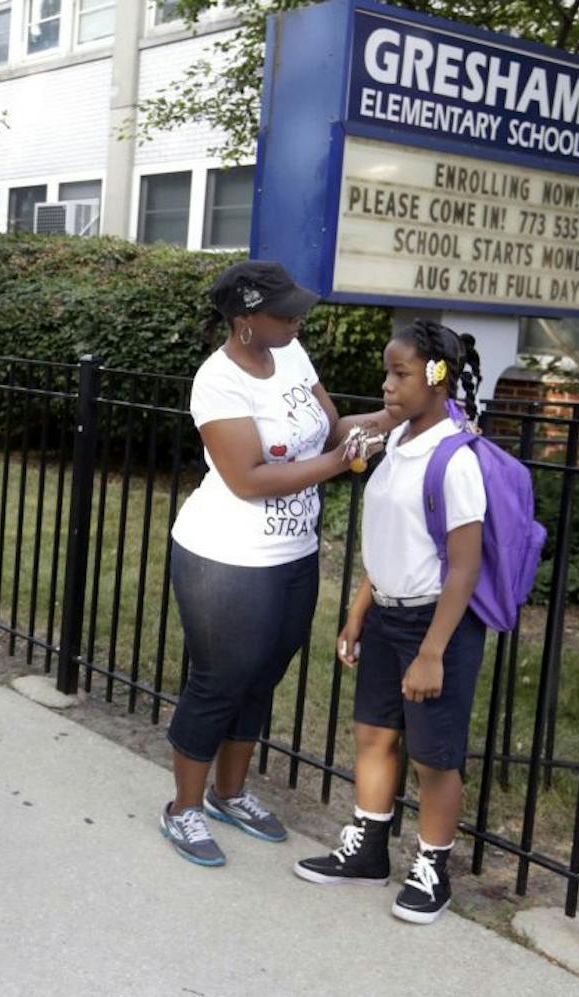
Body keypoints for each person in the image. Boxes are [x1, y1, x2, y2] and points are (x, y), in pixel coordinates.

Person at [160, 260, 391, 867]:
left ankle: (229, 794)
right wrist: (345, 462)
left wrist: (399, 417)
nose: (296, 319)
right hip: (227, 555)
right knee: (220, 679)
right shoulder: (218, 381)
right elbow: (249, 478)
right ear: (243, 321)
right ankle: (183, 807)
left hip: (294, 552)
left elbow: (333, 426)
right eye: (283, 312)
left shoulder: (291, 352)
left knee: (262, 676)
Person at [295, 322, 486, 925]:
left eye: (400, 374)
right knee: (374, 734)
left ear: (437, 377)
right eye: (387, 372)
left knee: (433, 757)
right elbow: (390, 543)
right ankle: (369, 850)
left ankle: (433, 869)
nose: (387, 384)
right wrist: (357, 614)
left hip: (436, 625)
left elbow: (463, 569)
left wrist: (432, 652)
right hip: (386, 616)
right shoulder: (399, 438)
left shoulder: (456, 459)